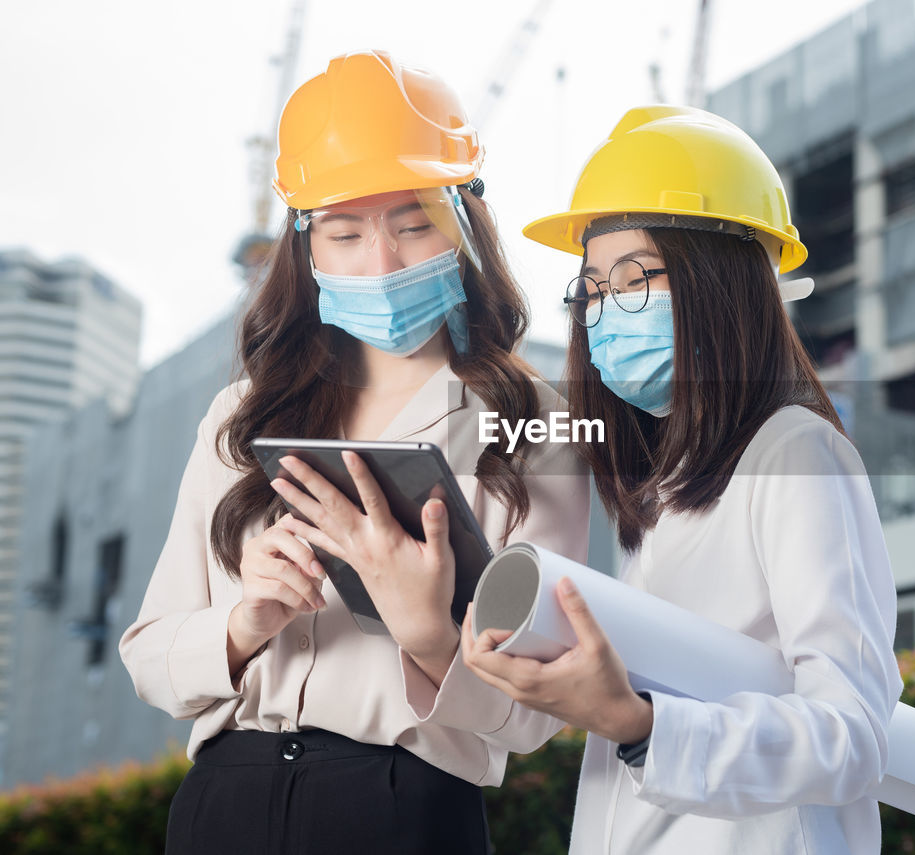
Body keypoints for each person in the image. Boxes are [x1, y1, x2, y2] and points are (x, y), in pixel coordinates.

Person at [118, 50, 586, 855]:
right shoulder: (240, 416)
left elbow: (535, 715)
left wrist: (428, 631)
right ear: (305, 246)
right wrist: (244, 620)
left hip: (403, 808)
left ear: (463, 221)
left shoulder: (530, 420)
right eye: (343, 232)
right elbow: (151, 660)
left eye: (412, 224)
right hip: (219, 806)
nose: (380, 262)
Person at [459, 105, 904, 854]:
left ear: (719, 283)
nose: (603, 313)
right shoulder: (668, 490)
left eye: (632, 280)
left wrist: (640, 724)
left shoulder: (796, 454)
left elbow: (854, 731)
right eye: (592, 290)